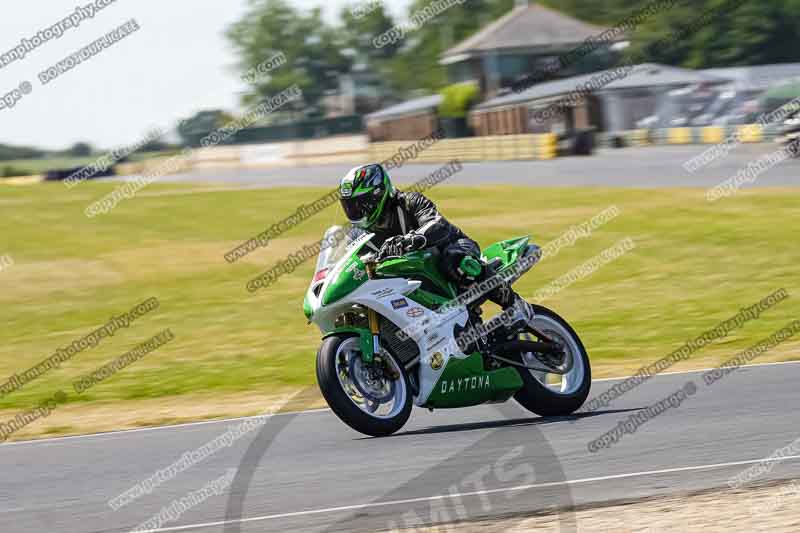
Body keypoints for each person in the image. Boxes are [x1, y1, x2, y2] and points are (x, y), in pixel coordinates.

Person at [338, 163, 533, 327]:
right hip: (411, 276)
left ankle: (514, 305)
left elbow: (437, 224)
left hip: (452, 248)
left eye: (361, 204)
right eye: (350, 206)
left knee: (456, 261)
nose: (357, 211)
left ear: (378, 195)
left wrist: (410, 239)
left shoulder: (409, 202)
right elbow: (352, 261)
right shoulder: (359, 234)